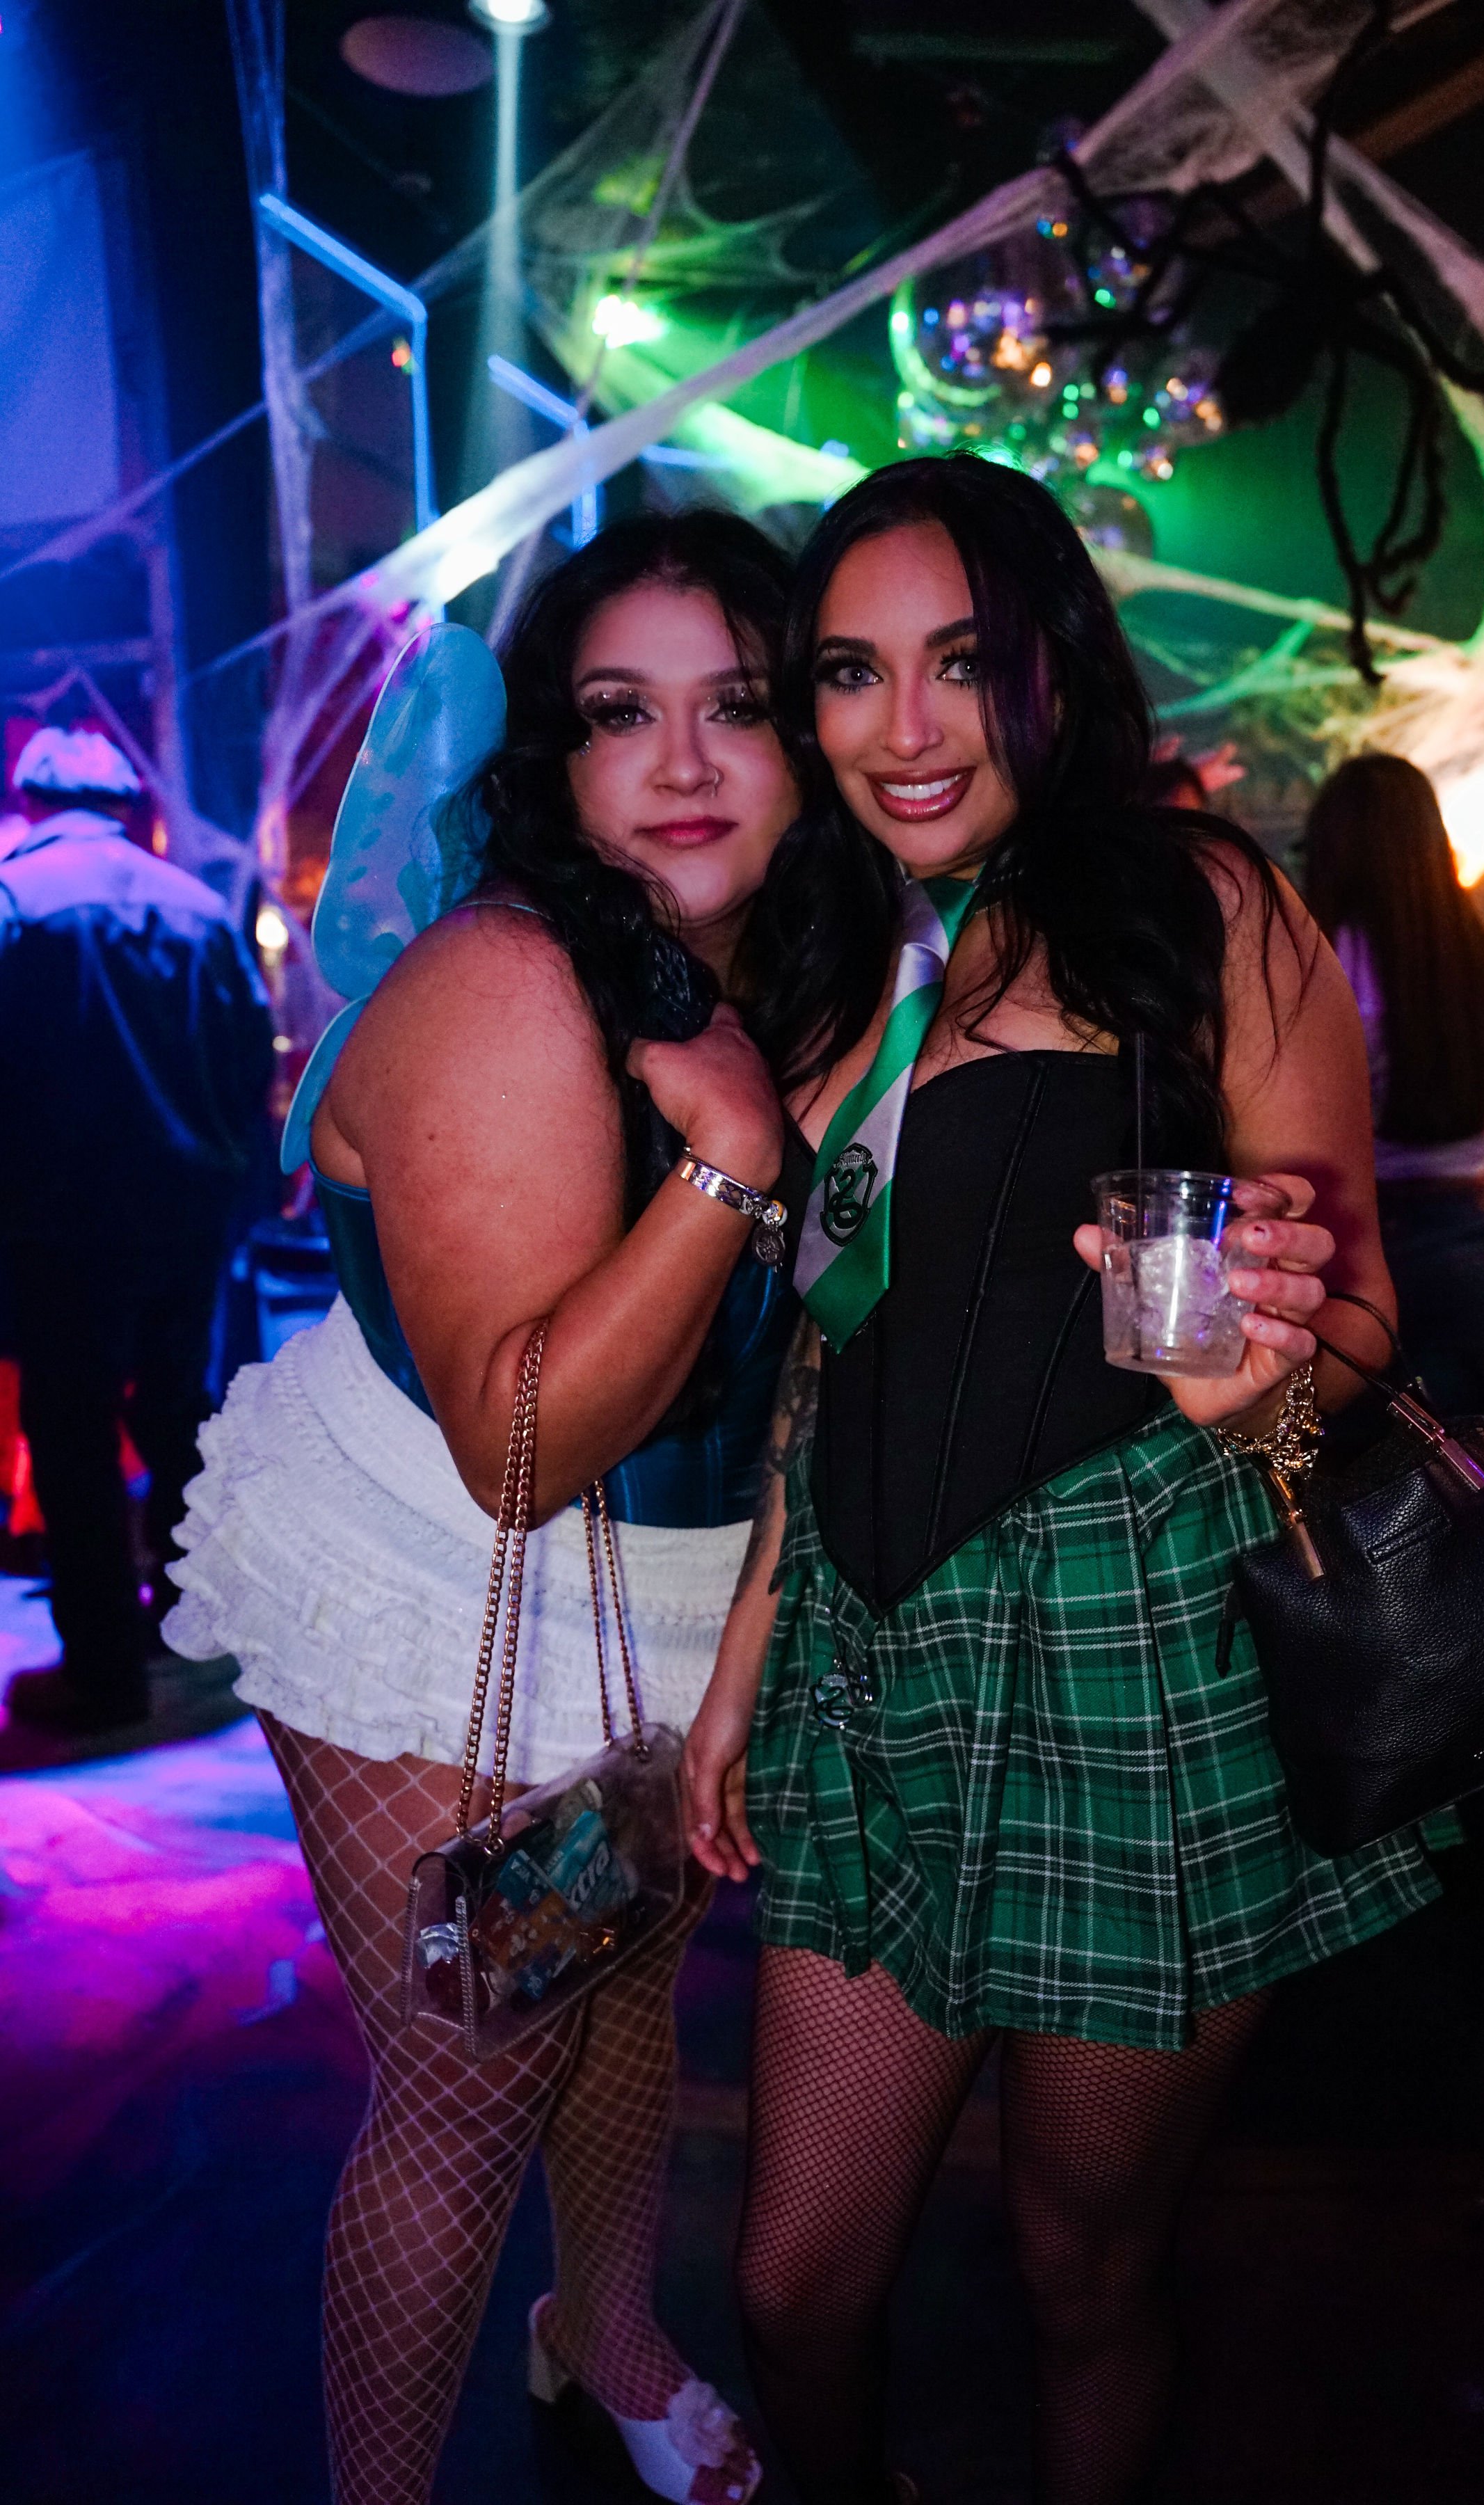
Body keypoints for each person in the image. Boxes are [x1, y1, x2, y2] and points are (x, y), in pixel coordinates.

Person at [682, 455, 1454, 2505]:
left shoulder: (1211, 910)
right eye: (847, 674)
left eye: (956, 664)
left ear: (1048, 667)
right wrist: (751, 1641)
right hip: (864, 1657)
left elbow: (1354, 1309)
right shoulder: (834, 954)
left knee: (1080, 2265)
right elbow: (834, 1338)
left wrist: (1245, 1385)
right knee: (789, 2283)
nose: (900, 729)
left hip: (1137, 1662)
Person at [164, 514, 799, 2505]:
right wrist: (727, 1165)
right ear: (547, 753)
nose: (685, 766)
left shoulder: (783, 963)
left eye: (742, 708)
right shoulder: (513, 982)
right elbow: (519, 1453)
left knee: (610, 2000)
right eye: (623, 715)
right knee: (460, 2093)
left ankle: (600, 2333)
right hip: (442, 1567)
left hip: (676, 1590)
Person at [0, 726, 273, 1735]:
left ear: (31, 802)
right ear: (126, 807)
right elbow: (252, 1061)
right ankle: (186, 1633)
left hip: (58, 1220)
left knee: (70, 1437)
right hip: (186, 1213)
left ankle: (102, 1674)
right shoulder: (199, 910)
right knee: (177, 1417)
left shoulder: (19, 900)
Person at [1305, 752, 1484, 1415]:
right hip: (1465, 1253)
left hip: (1335, 1260)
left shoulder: (1311, 967)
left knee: (1343, 1496)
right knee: (1475, 1491)